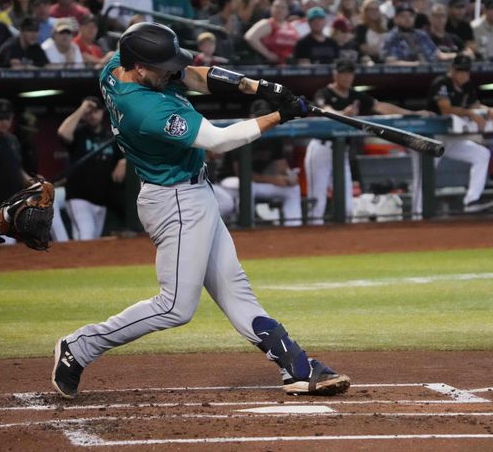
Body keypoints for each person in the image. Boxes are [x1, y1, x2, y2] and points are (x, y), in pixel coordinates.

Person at [51, 22, 349, 400]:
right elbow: (219, 140)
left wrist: (260, 87)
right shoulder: (145, 110)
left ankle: (297, 368)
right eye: (163, 65)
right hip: (174, 201)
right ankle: (79, 346)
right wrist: (281, 116)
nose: (173, 70)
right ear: (141, 68)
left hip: (194, 192)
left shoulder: (116, 66)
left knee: (233, 287)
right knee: (175, 306)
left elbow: (193, 75)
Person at [305, 59, 424, 224]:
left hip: (342, 152)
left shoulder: (355, 95)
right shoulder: (323, 93)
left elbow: (380, 106)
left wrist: (412, 113)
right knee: (317, 201)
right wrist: (342, 113)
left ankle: (343, 244)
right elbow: (324, 110)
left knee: (347, 205)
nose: (347, 77)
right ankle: (311, 242)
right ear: (335, 75)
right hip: (321, 149)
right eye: (343, 73)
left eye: (350, 73)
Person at [410, 54, 493, 217]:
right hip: (429, 137)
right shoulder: (441, 83)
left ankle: (471, 200)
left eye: (466, 71)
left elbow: (476, 105)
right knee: (423, 176)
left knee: (481, 154)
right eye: (459, 71)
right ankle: (417, 215)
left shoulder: (468, 86)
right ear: (452, 69)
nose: (463, 74)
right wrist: (470, 113)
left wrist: (489, 109)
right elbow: (445, 109)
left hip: (449, 139)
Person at [220, 99, 304, 227]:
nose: (263, 120)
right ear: (250, 118)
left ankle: (293, 228)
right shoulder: (240, 135)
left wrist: (290, 177)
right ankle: (247, 227)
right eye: (259, 116)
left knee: (292, 189)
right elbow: (242, 175)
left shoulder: (274, 137)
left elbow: (282, 168)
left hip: (258, 182)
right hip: (230, 182)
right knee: (247, 187)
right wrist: (275, 180)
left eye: (265, 116)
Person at [56, 97, 126, 240]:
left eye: (96, 110)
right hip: (79, 197)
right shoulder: (79, 133)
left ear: (102, 112)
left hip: (102, 199)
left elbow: (124, 154)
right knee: (86, 237)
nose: (92, 114)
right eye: (89, 112)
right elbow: (63, 133)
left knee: (91, 241)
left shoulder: (110, 136)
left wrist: (123, 162)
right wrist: (82, 109)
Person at [381, 3, 456, 65]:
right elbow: (391, 62)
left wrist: (459, 55)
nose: (407, 19)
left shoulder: (421, 35)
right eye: (403, 16)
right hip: (400, 77)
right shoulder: (391, 37)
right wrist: (415, 65)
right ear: (395, 19)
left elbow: (439, 55)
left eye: (410, 16)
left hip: (426, 74)